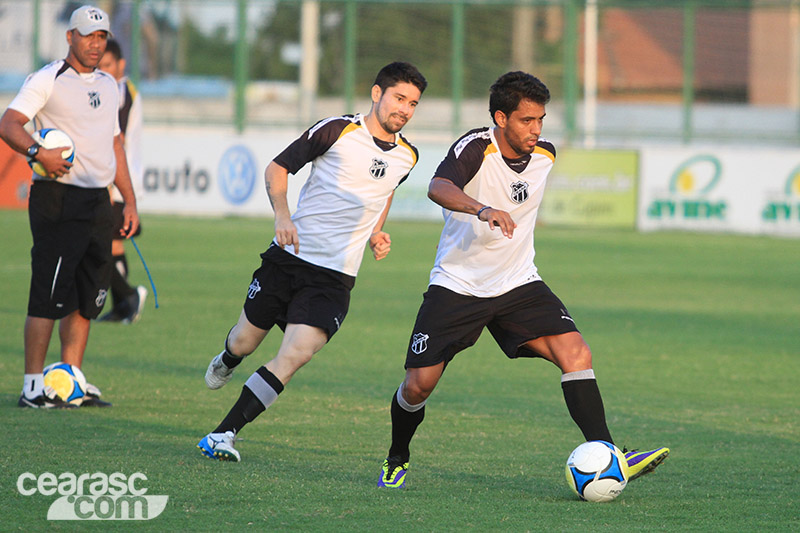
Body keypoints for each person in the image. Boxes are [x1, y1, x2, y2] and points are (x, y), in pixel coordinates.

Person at [377, 71, 668, 489]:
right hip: (459, 284)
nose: (536, 129)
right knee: (418, 386)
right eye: (526, 120)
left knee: (577, 353)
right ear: (501, 117)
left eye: (541, 120)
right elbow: (438, 186)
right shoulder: (477, 146)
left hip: (518, 283)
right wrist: (482, 210)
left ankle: (609, 454)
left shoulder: (545, 154)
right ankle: (397, 455)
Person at [197, 62, 428, 462]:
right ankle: (229, 358)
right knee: (244, 341)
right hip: (289, 260)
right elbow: (278, 167)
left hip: (335, 278)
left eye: (413, 103)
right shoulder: (336, 130)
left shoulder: (408, 156)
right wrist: (283, 216)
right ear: (377, 94)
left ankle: (223, 434)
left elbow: (384, 191)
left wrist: (376, 231)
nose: (405, 109)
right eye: (399, 98)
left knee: (294, 355)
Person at [0, 5, 139, 408]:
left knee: (86, 294)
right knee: (48, 290)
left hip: (99, 201)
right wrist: (38, 152)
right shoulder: (47, 79)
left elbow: (115, 145)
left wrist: (128, 200)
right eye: (88, 36)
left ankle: (70, 379)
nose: (95, 44)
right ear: (70, 37)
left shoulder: (111, 85)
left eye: (101, 38)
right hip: (57, 199)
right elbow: (9, 123)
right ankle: (32, 385)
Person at [97, 38, 147, 324]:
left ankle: (127, 296)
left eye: (107, 65)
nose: (102, 70)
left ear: (120, 65)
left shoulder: (120, 90)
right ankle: (122, 305)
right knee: (113, 246)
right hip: (117, 177)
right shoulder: (117, 89)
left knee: (100, 245)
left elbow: (118, 138)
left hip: (116, 180)